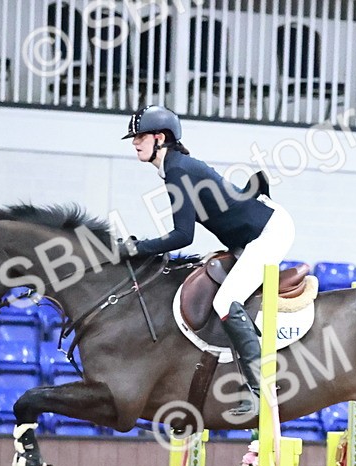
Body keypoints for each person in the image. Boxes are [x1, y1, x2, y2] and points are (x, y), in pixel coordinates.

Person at [120, 105, 296, 416]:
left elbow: (182, 236)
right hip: (250, 234)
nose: (134, 142)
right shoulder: (175, 167)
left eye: (140, 136)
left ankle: (259, 389)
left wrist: (137, 248)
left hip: (269, 232)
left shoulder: (178, 170)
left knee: (226, 301)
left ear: (159, 138)